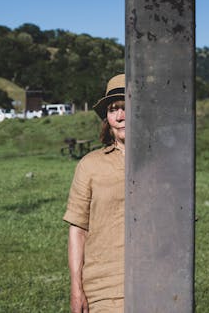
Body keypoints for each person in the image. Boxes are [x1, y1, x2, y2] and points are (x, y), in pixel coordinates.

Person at [63, 74, 126, 312]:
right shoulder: (90, 165)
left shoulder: (163, 164)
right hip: (104, 287)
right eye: (113, 110)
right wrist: (76, 289)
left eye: (127, 107)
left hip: (157, 280)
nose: (120, 116)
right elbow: (78, 230)